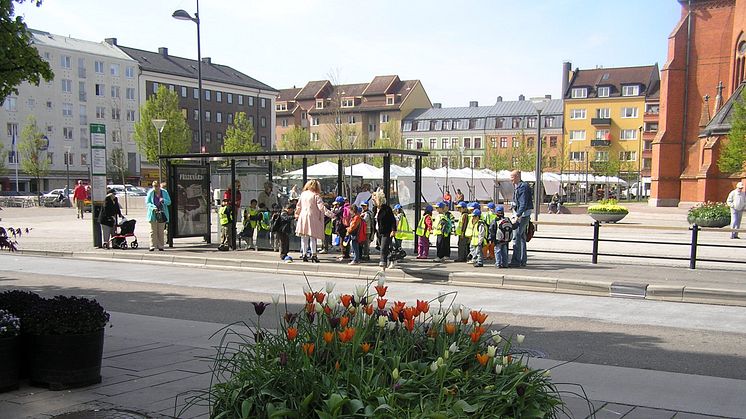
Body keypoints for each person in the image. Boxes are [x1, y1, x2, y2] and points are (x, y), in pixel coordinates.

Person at [295, 180, 335, 263]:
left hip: (303, 216)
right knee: (313, 237)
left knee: (304, 237)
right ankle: (314, 255)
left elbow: (298, 206)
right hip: (312, 217)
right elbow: (321, 208)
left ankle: (304, 254)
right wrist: (331, 214)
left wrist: (297, 214)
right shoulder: (316, 195)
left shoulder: (303, 194)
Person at [509, 170, 533, 267]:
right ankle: (523, 260)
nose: (511, 180)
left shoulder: (523, 187)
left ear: (518, 176)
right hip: (523, 213)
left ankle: (516, 261)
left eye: (512, 177)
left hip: (522, 215)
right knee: (522, 237)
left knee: (516, 236)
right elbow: (518, 201)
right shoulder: (519, 186)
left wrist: (517, 215)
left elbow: (523, 203)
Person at [372, 191, 396, 269]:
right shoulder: (375, 209)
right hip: (378, 231)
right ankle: (393, 257)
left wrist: (393, 230)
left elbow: (392, 220)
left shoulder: (387, 209)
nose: (373, 200)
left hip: (386, 231)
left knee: (383, 247)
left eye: (374, 199)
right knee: (382, 247)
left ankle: (383, 262)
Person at [146, 180, 171, 251]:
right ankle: (152, 246)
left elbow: (169, 202)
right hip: (153, 214)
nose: (155, 188)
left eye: (156, 186)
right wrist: (153, 207)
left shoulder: (164, 192)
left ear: (159, 186)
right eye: (154, 186)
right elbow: (147, 202)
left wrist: (163, 200)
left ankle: (160, 246)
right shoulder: (151, 192)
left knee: (160, 231)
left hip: (162, 213)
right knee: (152, 231)